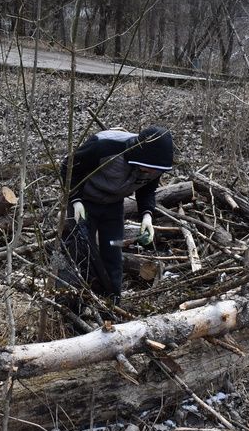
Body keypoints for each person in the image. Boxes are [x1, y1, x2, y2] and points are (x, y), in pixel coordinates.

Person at [61, 126, 173, 302]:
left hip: (113, 206)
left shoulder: (155, 165)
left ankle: (112, 301)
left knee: (113, 249)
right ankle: (69, 303)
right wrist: (75, 200)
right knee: (79, 250)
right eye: (151, 169)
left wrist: (147, 216)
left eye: (156, 171)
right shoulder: (105, 147)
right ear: (140, 156)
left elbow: (147, 190)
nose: (153, 173)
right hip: (85, 203)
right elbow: (68, 167)